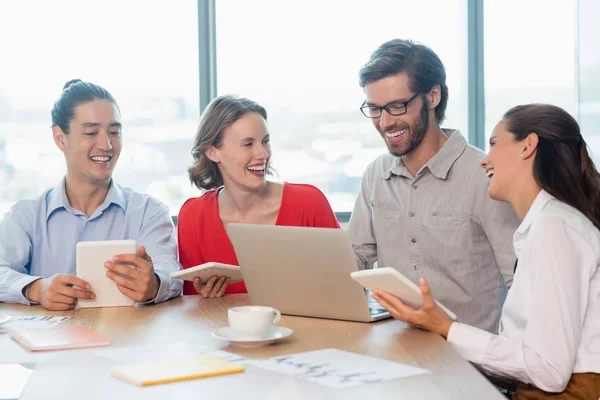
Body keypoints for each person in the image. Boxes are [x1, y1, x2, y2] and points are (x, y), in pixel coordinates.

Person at [373, 104, 600, 398]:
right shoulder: (548, 225)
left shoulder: (555, 229)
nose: (484, 160)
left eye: (493, 144)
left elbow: (548, 370)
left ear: (528, 146)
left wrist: (446, 328)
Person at [348, 39, 520, 332]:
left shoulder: (484, 176)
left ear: (433, 96)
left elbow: (521, 284)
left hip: (473, 362)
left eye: (397, 106)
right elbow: (353, 261)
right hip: (397, 350)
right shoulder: (376, 174)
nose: (385, 122)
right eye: (375, 109)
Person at [0, 80, 182, 310]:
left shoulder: (149, 212)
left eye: (114, 132)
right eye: (91, 132)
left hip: (127, 341)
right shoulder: (25, 215)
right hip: (52, 342)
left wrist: (154, 284)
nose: (106, 144)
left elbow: (172, 273)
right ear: (60, 138)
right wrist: (37, 288)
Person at [178, 95, 340, 298]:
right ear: (212, 152)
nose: (262, 154)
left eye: (265, 141)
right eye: (248, 144)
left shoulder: (309, 204)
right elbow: (190, 306)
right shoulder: (193, 215)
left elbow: (345, 290)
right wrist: (206, 300)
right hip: (225, 329)